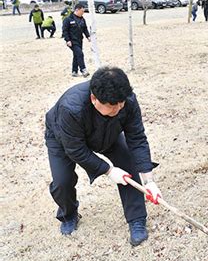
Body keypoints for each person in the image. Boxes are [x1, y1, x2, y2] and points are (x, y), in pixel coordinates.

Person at [45, 67, 162, 246]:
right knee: (63, 181)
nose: (118, 109)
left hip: (108, 133)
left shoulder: (127, 100)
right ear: (94, 99)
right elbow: (76, 150)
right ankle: (69, 214)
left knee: (127, 163)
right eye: (112, 107)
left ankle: (136, 220)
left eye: (120, 105)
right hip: (64, 138)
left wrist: (149, 181)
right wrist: (108, 170)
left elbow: (137, 138)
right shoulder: (71, 108)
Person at [63, 3, 91, 77]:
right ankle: (83, 70)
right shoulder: (68, 19)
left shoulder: (82, 19)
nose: (83, 13)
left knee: (76, 55)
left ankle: (74, 71)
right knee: (80, 54)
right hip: (72, 41)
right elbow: (65, 31)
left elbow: (85, 29)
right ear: (77, 10)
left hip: (79, 40)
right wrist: (67, 40)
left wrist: (88, 36)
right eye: (82, 11)